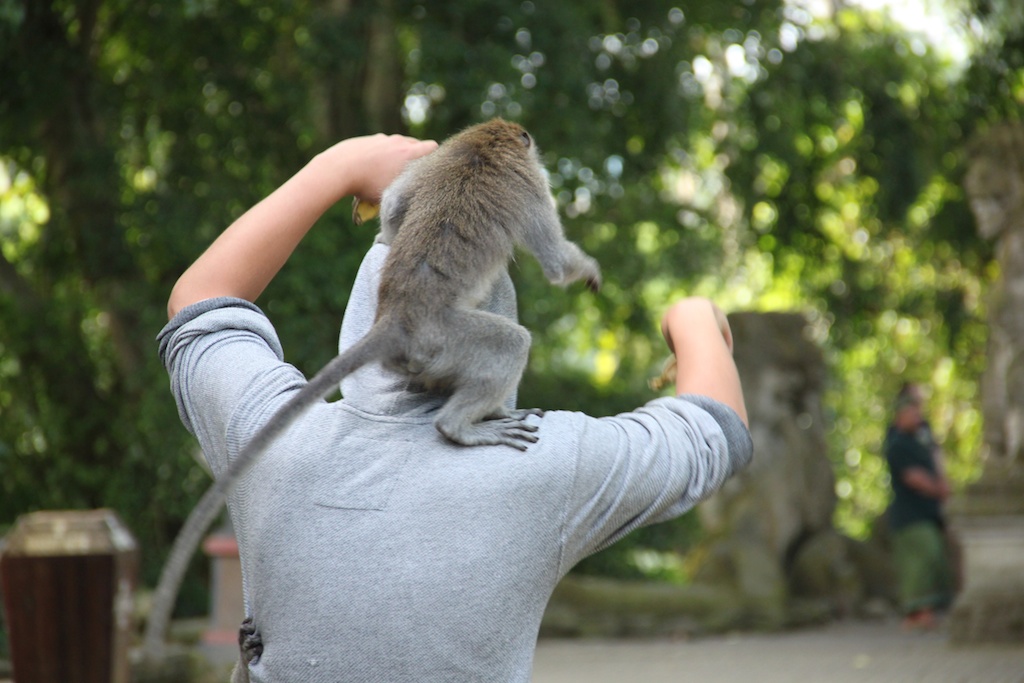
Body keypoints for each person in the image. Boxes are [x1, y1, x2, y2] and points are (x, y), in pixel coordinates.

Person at [158, 132, 752, 682]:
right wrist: (695, 319)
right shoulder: (547, 465)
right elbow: (713, 433)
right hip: (483, 420)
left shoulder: (273, 436)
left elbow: (200, 302)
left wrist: (338, 166)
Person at [883, 382, 955, 630]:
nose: (917, 416)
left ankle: (923, 613)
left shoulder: (922, 437)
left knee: (934, 557)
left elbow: (935, 458)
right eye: (911, 412)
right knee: (922, 558)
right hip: (909, 514)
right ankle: (916, 611)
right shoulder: (897, 443)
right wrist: (938, 489)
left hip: (927, 512)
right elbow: (912, 476)